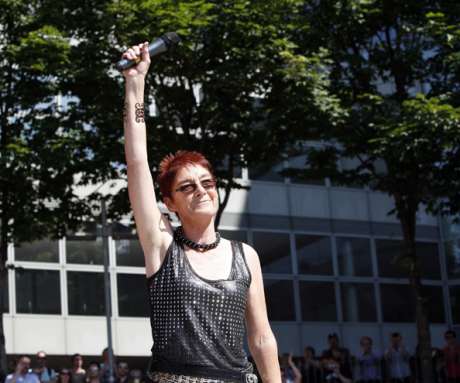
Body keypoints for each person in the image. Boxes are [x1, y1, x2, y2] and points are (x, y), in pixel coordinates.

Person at [121, 42, 280, 383]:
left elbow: (262, 337)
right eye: (187, 186)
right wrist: (135, 84)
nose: (201, 190)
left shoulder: (245, 255)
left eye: (207, 182)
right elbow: (136, 163)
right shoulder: (162, 247)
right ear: (169, 202)